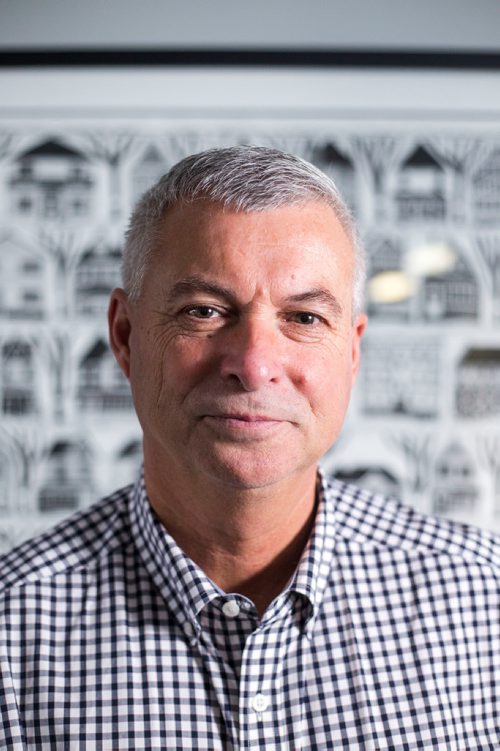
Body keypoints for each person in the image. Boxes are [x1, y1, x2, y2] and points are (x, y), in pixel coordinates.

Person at [0, 146, 499, 750]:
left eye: (305, 318)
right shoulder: (13, 631)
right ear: (126, 337)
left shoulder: (483, 599)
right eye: (205, 311)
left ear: (353, 350)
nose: (256, 365)